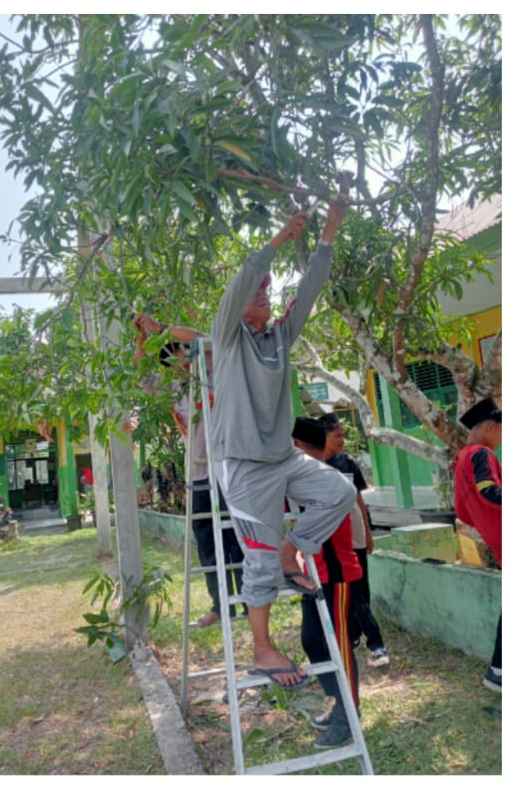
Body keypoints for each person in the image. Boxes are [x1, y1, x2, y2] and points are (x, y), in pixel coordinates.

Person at [210, 195, 358, 689]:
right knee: (257, 561)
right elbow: (241, 283)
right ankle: (263, 648)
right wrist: (277, 240)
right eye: (258, 294)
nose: (264, 298)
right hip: (245, 466)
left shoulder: (278, 337)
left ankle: (293, 551)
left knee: (338, 492)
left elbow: (309, 292)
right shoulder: (228, 337)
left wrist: (327, 237)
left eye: (267, 294)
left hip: (283, 458)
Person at [132, 313, 245, 629]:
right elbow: (140, 375)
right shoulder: (174, 391)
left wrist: (161, 328)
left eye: (183, 350)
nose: (182, 358)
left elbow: (204, 337)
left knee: (235, 534)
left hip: (229, 468)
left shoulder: (213, 372)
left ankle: (249, 599)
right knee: (207, 540)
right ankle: (221, 607)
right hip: (198, 474)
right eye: (175, 356)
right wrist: (142, 339)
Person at [292, 417, 363, 750]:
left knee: (340, 648)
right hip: (312, 572)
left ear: (302, 447)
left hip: (334, 574)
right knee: (312, 641)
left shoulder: (327, 479)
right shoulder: (301, 481)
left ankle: (350, 716)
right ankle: (338, 702)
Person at [317, 412, 389, 667]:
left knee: (360, 589)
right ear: (322, 437)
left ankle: (364, 638)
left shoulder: (346, 462)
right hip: (331, 541)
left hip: (354, 534)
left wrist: (368, 533)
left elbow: (359, 500)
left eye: (343, 435)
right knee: (347, 591)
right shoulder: (312, 465)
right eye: (337, 436)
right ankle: (365, 640)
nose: (342, 440)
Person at [452, 396, 502, 693]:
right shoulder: (481, 453)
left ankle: (501, 667)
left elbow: (461, 510)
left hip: (492, 532)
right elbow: (490, 492)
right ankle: (498, 670)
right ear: (490, 427)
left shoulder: (463, 456)